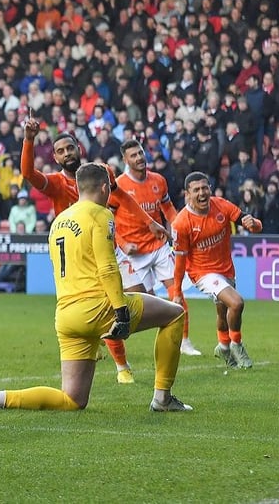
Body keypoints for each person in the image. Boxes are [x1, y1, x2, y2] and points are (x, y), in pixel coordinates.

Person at [0, 163, 192, 413]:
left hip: (67, 316)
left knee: (73, 400)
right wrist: (121, 312)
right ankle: (163, 399)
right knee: (175, 314)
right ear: (104, 188)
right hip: (99, 308)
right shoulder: (101, 215)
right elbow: (108, 267)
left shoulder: (59, 220)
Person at [19, 116, 171, 373]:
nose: (67, 153)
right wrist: (29, 140)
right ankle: (123, 368)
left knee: (143, 295)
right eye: (61, 151)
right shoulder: (57, 183)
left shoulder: (101, 172)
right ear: (55, 158)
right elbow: (27, 173)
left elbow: (123, 198)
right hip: (80, 257)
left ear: (79, 148)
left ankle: (106, 339)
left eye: (70, 148)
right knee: (110, 307)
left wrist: (150, 223)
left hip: (108, 248)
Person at [106, 140, 203, 386]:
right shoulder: (119, 186)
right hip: (132, 253)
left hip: (158, 246)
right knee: (143, 301)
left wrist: (179, 229)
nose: (139, 157)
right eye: (133, 155)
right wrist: (122, 242)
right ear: (125, 160)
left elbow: (169, 210)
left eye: (140, 152)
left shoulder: (158, 180)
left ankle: (184, 341)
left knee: (176, 291)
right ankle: (112, 340)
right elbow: (108, 218)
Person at [171, 172, 263, 370]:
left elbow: (253, 224)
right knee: (236, 303)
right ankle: (237, 345)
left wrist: (253, 224)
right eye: (196, 190)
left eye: (205, 188)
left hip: (226, 269)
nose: (202, 193)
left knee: (223, 312)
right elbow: (180, 260)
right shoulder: (181, 223)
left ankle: (223, 346)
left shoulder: (221, 205)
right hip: (203, 273)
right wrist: (177, 291)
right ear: (187, 194)